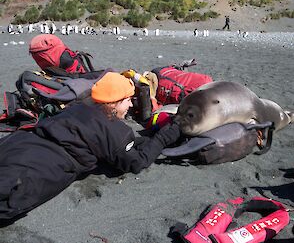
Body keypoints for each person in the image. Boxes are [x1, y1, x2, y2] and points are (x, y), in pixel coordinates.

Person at [0, 72, 181, 221]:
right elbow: (136, 162)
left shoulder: (79, 105)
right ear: (115, 101)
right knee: (10, 198)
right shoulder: (116, 130)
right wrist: (165, 137)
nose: (131, 104)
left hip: (23, 141)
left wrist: (142, 139)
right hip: (49, 164)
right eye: (128, 99)